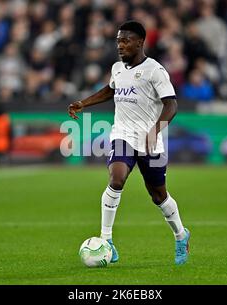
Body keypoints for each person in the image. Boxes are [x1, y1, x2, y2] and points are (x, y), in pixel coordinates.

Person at [67, 21, 190, 265]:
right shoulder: (117, 68)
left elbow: (171, 104)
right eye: (118, 41)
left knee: (159, 196)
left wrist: (156, 130)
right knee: (117, 178)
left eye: (125, 41)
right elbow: (111, 90)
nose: (120, 46)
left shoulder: (155, 70)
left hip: (150, 139)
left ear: (140, 42)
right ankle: (107, 241)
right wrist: (83, 103)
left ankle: (180, 235)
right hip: (122, 135)